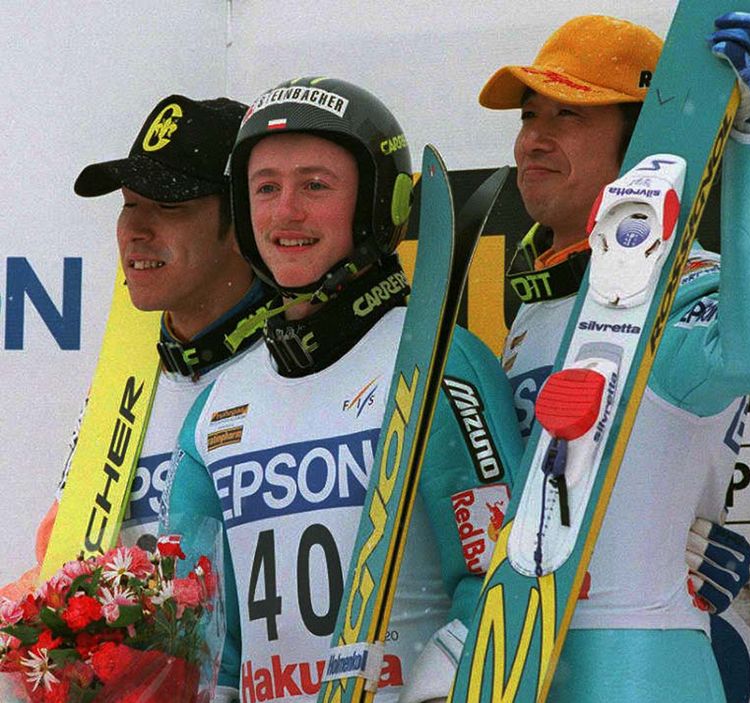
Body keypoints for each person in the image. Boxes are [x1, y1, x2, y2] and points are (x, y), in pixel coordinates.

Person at [162, 77, 523, 703]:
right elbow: (205, 635)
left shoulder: (438, 367)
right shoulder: (217, 410)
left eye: (316, 185)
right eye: (265, 188)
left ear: (377, 204)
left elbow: (498, 576)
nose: (286, 212)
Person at [479, 12, 750, 703]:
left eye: (568, 115)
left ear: (646, 138)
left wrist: (747, 143)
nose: (533, 140)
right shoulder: (532, 311)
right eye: (529, 115)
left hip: (637, 655)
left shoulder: (690, 284)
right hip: (522, 650)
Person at [1, 94, 270, 598]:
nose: (136, 231)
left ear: (245, 225)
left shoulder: (295, 370)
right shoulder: (128, 373)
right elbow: (62, 565)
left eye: (169, 206)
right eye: (129, 205)